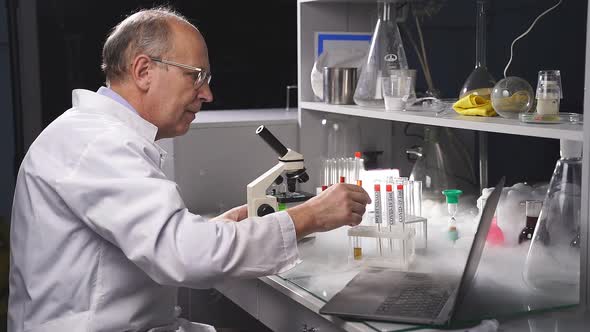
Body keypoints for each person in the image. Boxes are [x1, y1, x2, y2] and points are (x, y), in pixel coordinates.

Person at [8, 7, 371, 332]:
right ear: (144, 70)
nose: (207, 94)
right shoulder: (98, 144)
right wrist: (311, 215)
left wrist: (215, 230)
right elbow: (186, 257)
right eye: (196, 76)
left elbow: (156, 242)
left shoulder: (98, 135)